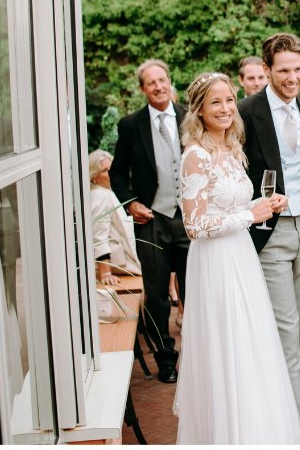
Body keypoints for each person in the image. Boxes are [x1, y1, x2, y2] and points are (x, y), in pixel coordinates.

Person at [172, 72, 300, 444]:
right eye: (216, 102)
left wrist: (262, 204)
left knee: (251, 346)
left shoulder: (230, 148)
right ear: (199, 110)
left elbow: (230, 204)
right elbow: (194, 225)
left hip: (241, 257)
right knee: (227, 346)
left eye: (229, 100)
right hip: (215, 264)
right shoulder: (195, 156)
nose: (226, 108)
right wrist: (250, 216)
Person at [238, 33, 300, 444]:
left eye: (298, 69)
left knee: (296, 337)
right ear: (267, 70)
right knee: (285, 334)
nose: (293, 77)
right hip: (271, 234)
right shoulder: (246, 112)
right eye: (283, 71)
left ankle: (273, 417)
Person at [109, 59, 188, 383]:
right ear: (142, 89)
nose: (158, 86)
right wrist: (131, 204)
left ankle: (199, 355)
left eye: (162, 79)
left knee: (195, 289)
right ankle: (166, 358)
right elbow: (116, 173)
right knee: (156, 294)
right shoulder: (131, 125)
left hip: (188, 218)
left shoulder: (189, 117)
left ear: (170, 81)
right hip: (151, 219)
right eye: (151, 82)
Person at [89, 150, 142, 286]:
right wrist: (105, 272)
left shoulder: (107, 192)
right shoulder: (100, 196)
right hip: (118, 267)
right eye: (105, 171)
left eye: (111, 169)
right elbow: (98, 235)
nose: (110, 174)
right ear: (93, 176)